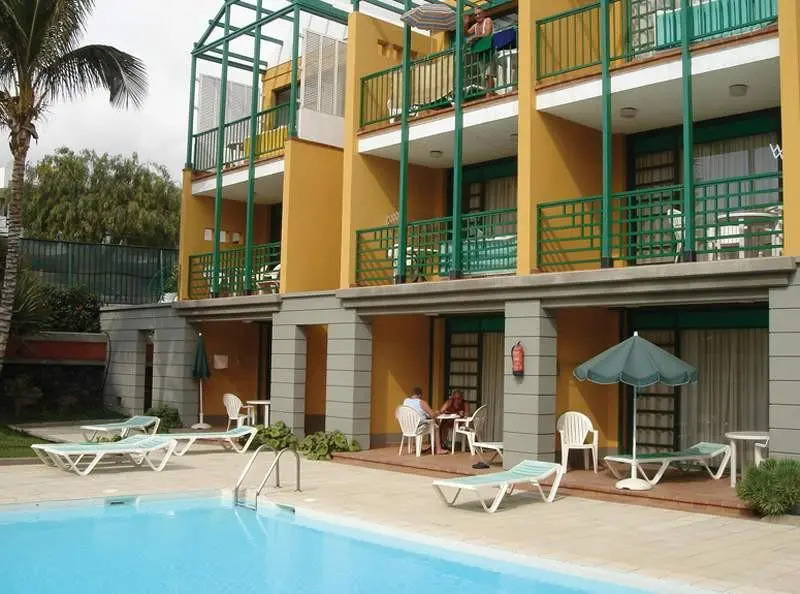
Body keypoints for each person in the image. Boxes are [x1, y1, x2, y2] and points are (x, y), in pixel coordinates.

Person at [402, 387, 446, 454]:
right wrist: (437, 413)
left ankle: (417, 448)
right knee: (436, 427)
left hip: (407, 427)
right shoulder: (422, 402)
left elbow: (415, 412)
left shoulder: (406, 401)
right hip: (418, 427)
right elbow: (432, 415)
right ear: (420, 394)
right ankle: (438, 449)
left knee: (420, 423)